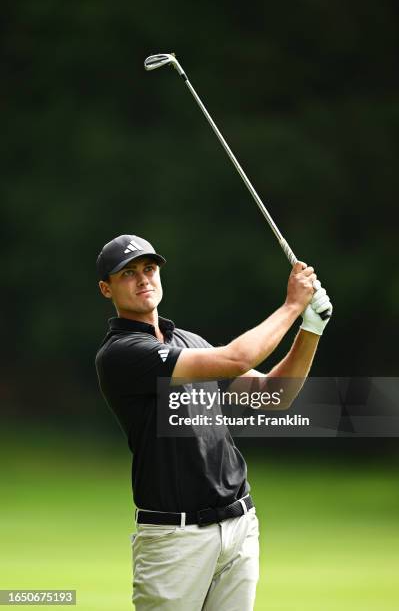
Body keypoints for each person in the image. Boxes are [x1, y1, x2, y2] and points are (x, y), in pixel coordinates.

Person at [95, 233, 333, 611]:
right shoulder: (121, 353)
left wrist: (311, 328)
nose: (143, 279)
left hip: (239, 526)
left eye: (149, 268)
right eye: (128, 273)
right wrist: (292, 306)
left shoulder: (190, 341)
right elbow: (237, 359)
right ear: (106, 288)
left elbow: (273, 395)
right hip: (175, 538)